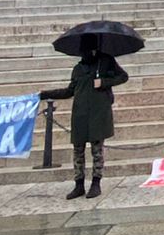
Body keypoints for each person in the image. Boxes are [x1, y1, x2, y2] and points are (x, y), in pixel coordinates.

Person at [40, 42, 128, 199]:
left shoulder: (106, 61)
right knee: (78, 150)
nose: (85, 54)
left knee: (97, 150)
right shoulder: (78, 69)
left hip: (98, 112)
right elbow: (69, 91)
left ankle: (96, 183)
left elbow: (123, 76)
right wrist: (45, 94)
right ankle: (79, 184)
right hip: (80, 113)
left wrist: (104, 82)